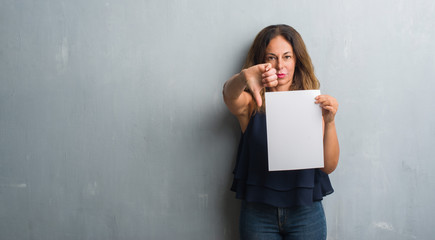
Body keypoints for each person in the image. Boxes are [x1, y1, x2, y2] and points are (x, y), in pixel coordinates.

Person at [222, 24, 340, 240]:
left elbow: (328, 166)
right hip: (259, 212)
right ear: (261, 61)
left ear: (297, 60)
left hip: (306, 211)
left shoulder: (312, 103)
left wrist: (330, 121)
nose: (279, 65)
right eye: (271, 57)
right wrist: (243, 77)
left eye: (287, 56)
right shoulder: (252, 104)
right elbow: (229, 96)